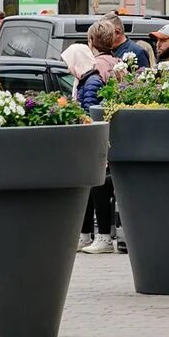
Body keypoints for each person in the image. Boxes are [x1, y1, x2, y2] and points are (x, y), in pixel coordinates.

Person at [69, 38, 119, 254]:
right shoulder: (86, 81)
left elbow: (91, 115)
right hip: (92, 147)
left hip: (94, 147)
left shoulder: (91, 82)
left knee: (95, 187)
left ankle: (101, 237)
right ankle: (86, 235)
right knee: (88, 188)